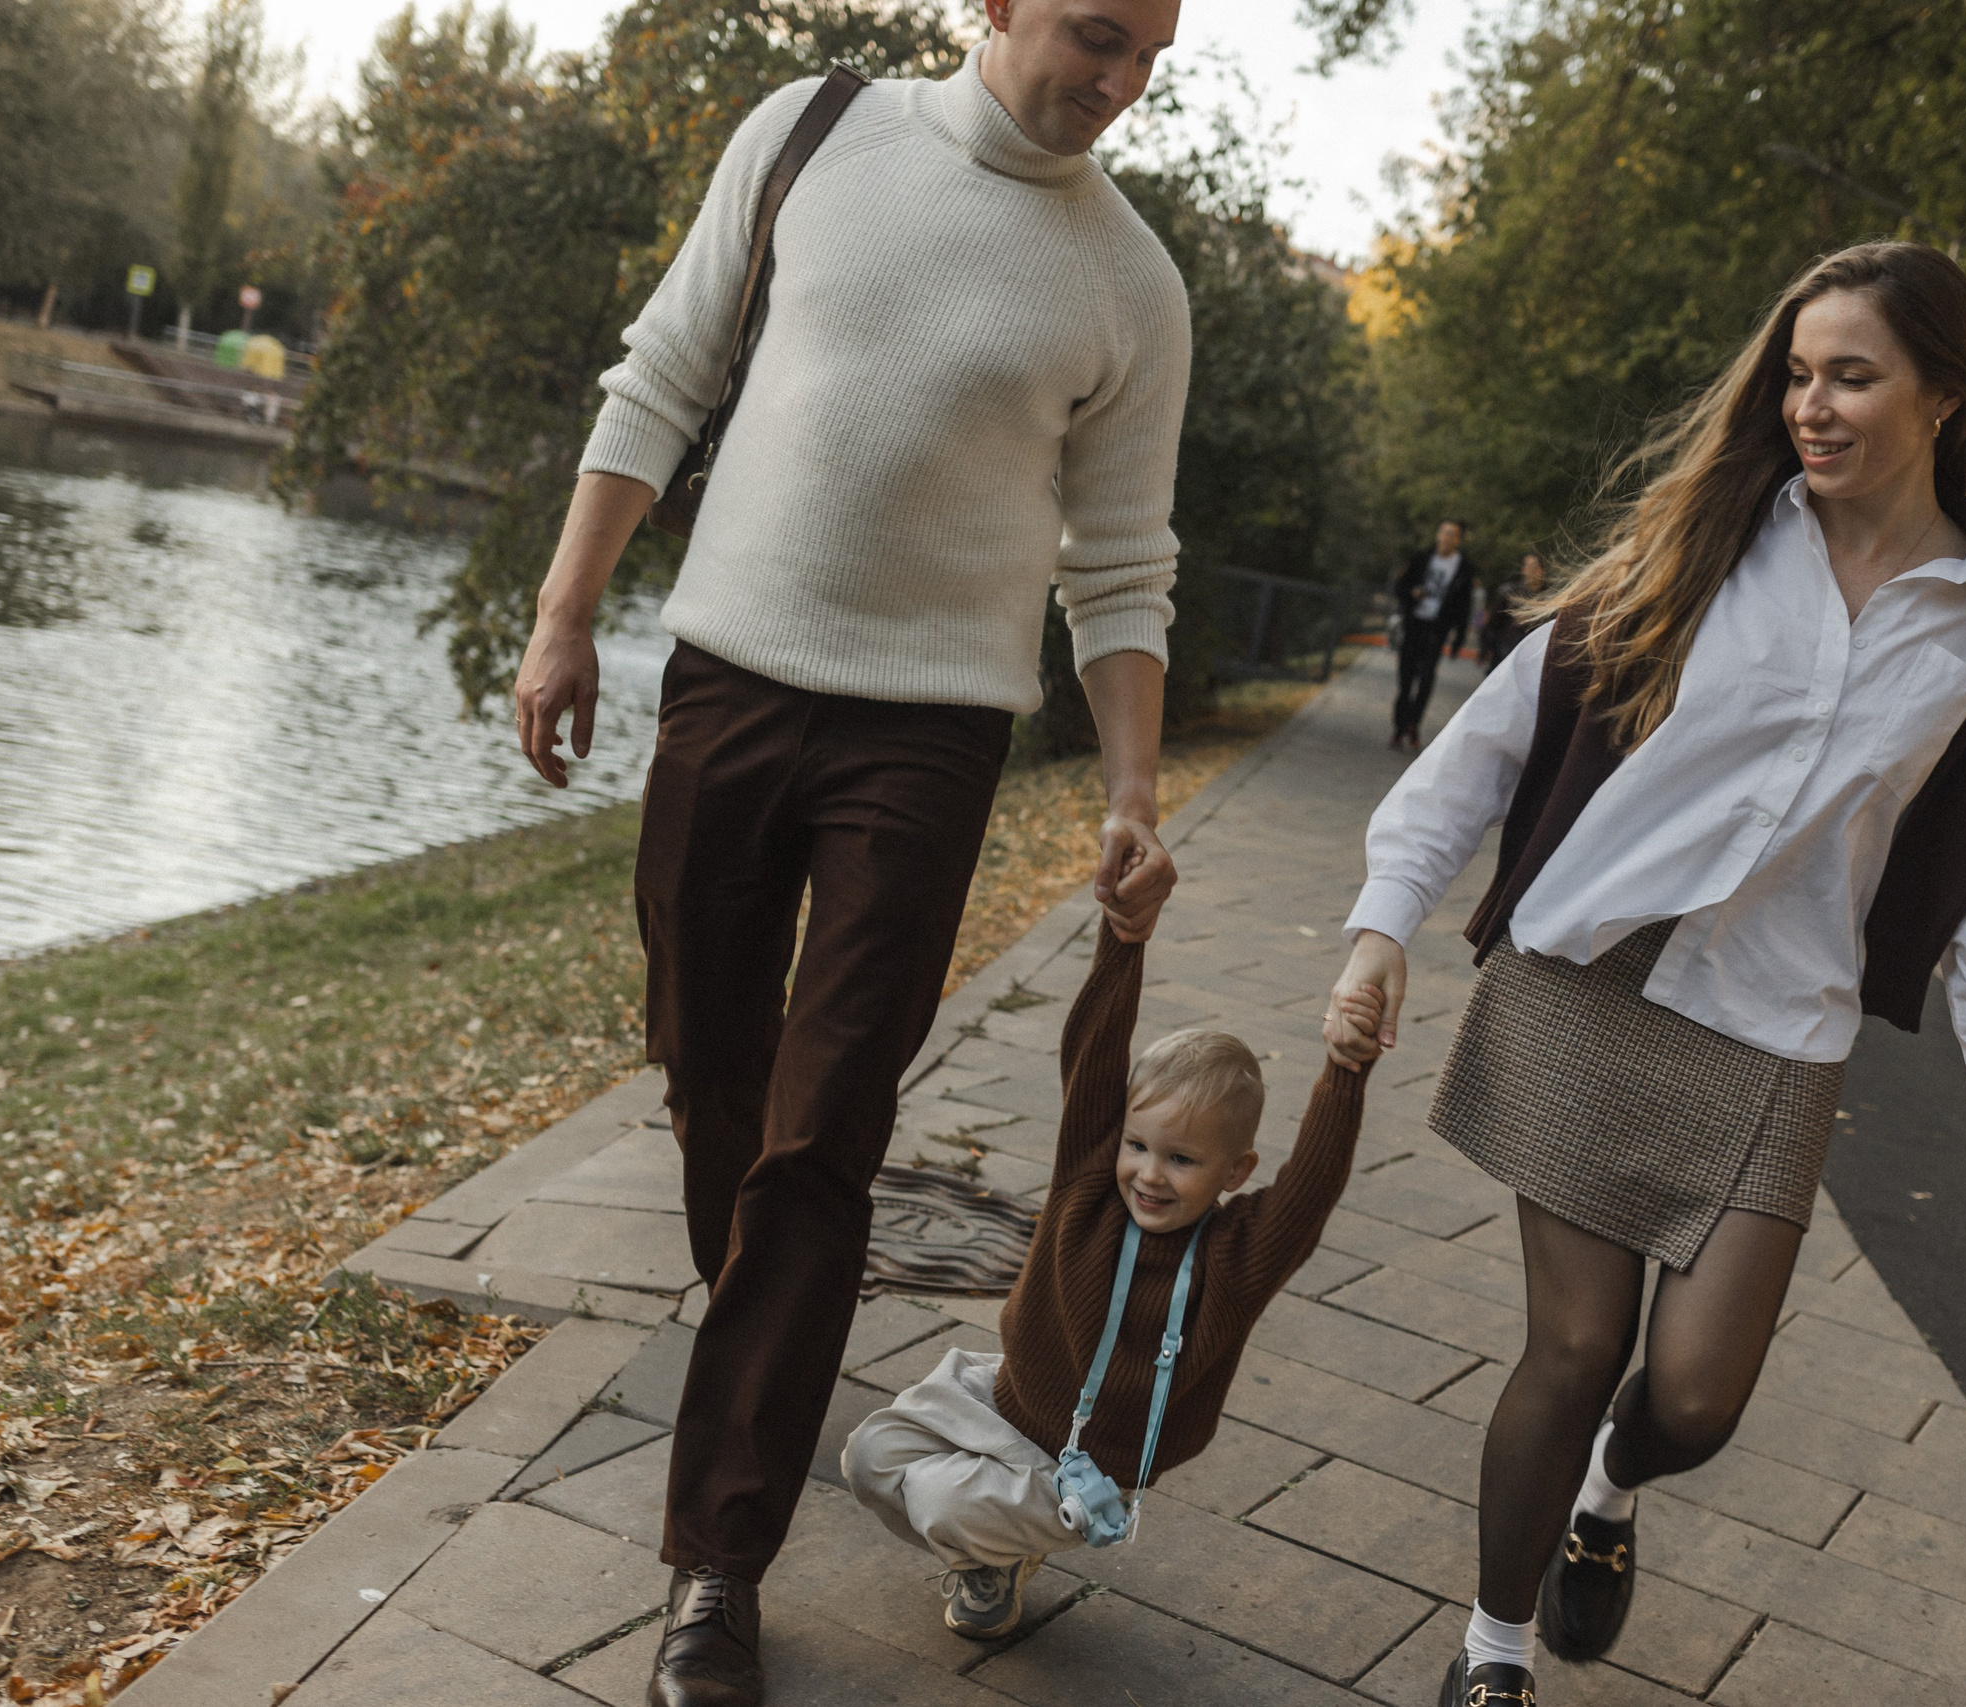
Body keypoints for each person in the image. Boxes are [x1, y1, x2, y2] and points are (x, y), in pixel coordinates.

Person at [506, 4, 1190, 1702]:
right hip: (730, 686)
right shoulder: (810, 132)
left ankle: (716, 1563)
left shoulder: (1132, 285)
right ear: (998, 11)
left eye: (1150, 57)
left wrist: (1129, 791)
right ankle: (768, 1334)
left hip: (931, 735)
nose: (1115, 82)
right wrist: (564, 614)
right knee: (711, 1085)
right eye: (1094, 36)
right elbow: (660, 375)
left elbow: (1120, 567)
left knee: (822, 1144)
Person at [1322, 242, 1966, 1706]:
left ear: (1945, 397)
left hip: (1775, 1029)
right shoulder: (1709, 541)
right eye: (1798, 373)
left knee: (1692, 1395)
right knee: (1579, 1335)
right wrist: (1381, 921)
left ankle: (1611, 1484)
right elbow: (1490, 737)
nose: (1812, 404)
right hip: (1586, 987)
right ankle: (1491, 1654)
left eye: (1852, 376)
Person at [842, 922, 1386, 1638]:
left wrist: (1346, 1069)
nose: (1150, 1173)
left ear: (1236, 1171)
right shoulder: (1087, 1186)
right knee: (869, 1456)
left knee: (942, 1504)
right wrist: (1123, 937)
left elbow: (1309, 1189)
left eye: (1183, 1159)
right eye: (1137, 1145)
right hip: (1001, 1394)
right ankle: (994, 1553)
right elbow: (1094, 1054)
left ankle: (994, 1545)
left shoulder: (1233, 1260)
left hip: (1084, 1468)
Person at [1391, 517, 1477, 748]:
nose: (1448, 538)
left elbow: (1464, 606)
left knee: (1427, 678)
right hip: (1414, 623)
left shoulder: (1464, 569)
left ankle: (1413, 724)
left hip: (1437, 629)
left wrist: (1458, 639)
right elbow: (1399, 587)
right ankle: (1399, 726)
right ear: (1438, 534)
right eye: (1445, 532)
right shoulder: (1421, 558)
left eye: (1453, 535)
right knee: (1406, 678)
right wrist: (1412, 593)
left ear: (1458, 540)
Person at [1478, 551, 1550, 673]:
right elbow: (1493, 624)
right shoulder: (1509, 593)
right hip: (1505, 651)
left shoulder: (1549, 599)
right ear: (1524, 569)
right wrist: (1486, 649)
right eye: (1529, 566)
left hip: (1532, 657)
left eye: (1536, 567)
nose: (1533, 571)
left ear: (1542, 571)